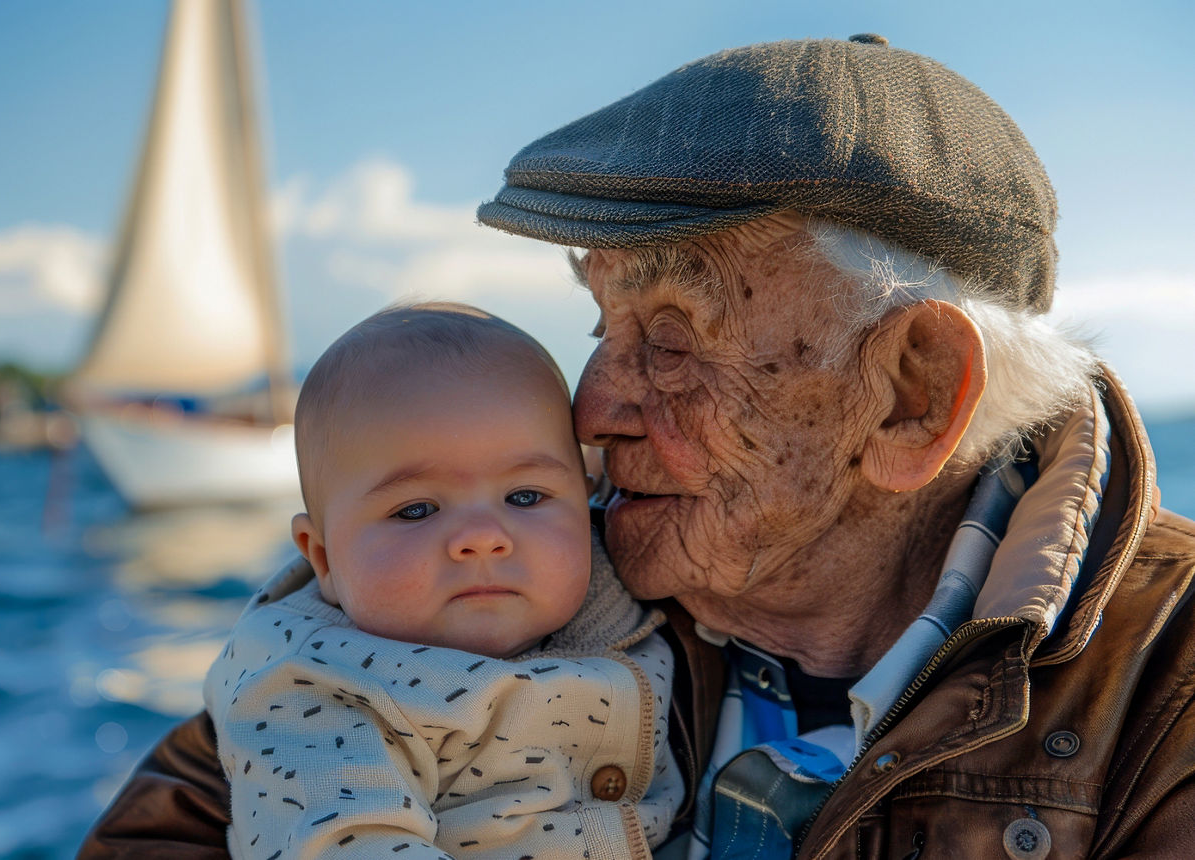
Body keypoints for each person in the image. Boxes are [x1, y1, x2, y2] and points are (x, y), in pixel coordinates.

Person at [80, 36, 1195, 859]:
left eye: (670, 338)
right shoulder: (534, 564)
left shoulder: (1169, 679)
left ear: (914, 395)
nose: (591, 406)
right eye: (600, 327)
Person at [205, 302, 683, 858]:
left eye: (525, 497)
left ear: (586, 501)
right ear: (325, 557)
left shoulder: (643, 576)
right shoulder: (311, 690)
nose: (482, 537)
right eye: (416, 510)